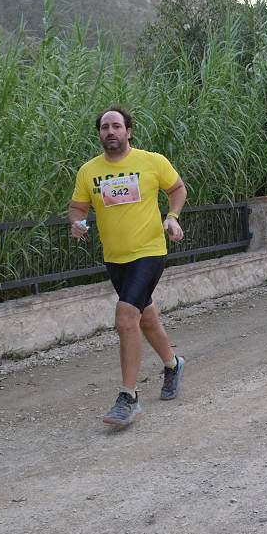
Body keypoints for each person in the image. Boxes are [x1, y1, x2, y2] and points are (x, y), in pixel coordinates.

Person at [69, 105, 187, 428]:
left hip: (149, 252)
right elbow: (77, 207)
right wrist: (76, 222)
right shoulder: (88, 171)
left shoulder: (152, 161)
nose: (110, 131)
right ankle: (173, 364)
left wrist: (172, 217)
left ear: (128, 131)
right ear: (100, 134)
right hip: (115, 259)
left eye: (116, 126)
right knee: (144, 318)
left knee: (124, 317)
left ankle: (128, 396)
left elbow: (177, 189)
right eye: (105, 127)